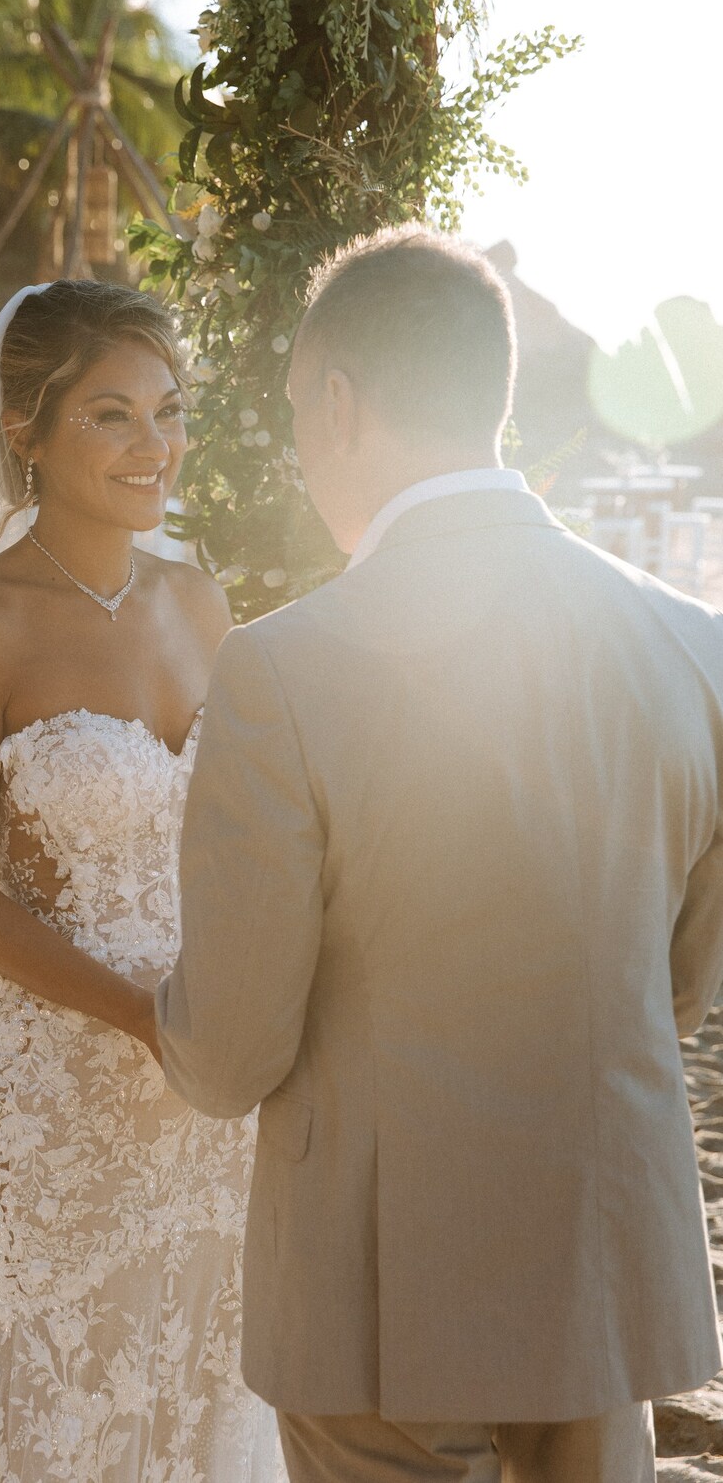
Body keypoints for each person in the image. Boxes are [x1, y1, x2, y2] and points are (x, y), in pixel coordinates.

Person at [155, 224, 723, 1483]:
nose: (303, 459)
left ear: (339, 404)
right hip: (599, 1266)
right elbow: (675, 984)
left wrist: (158, 1013)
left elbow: (233, 1047)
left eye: (301, 417)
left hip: (377, 1295)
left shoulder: (282, 667)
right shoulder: (695, 647)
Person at [0, 280, 284, 1483]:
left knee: (208, 1387)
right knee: (57, 1402)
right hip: (57, 1085)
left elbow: (242, 837)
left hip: (212, 1085)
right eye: (111, 415)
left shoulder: (199, 601)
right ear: (25, 432)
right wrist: (142, 1016)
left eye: (169, 410)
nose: (155, 445)